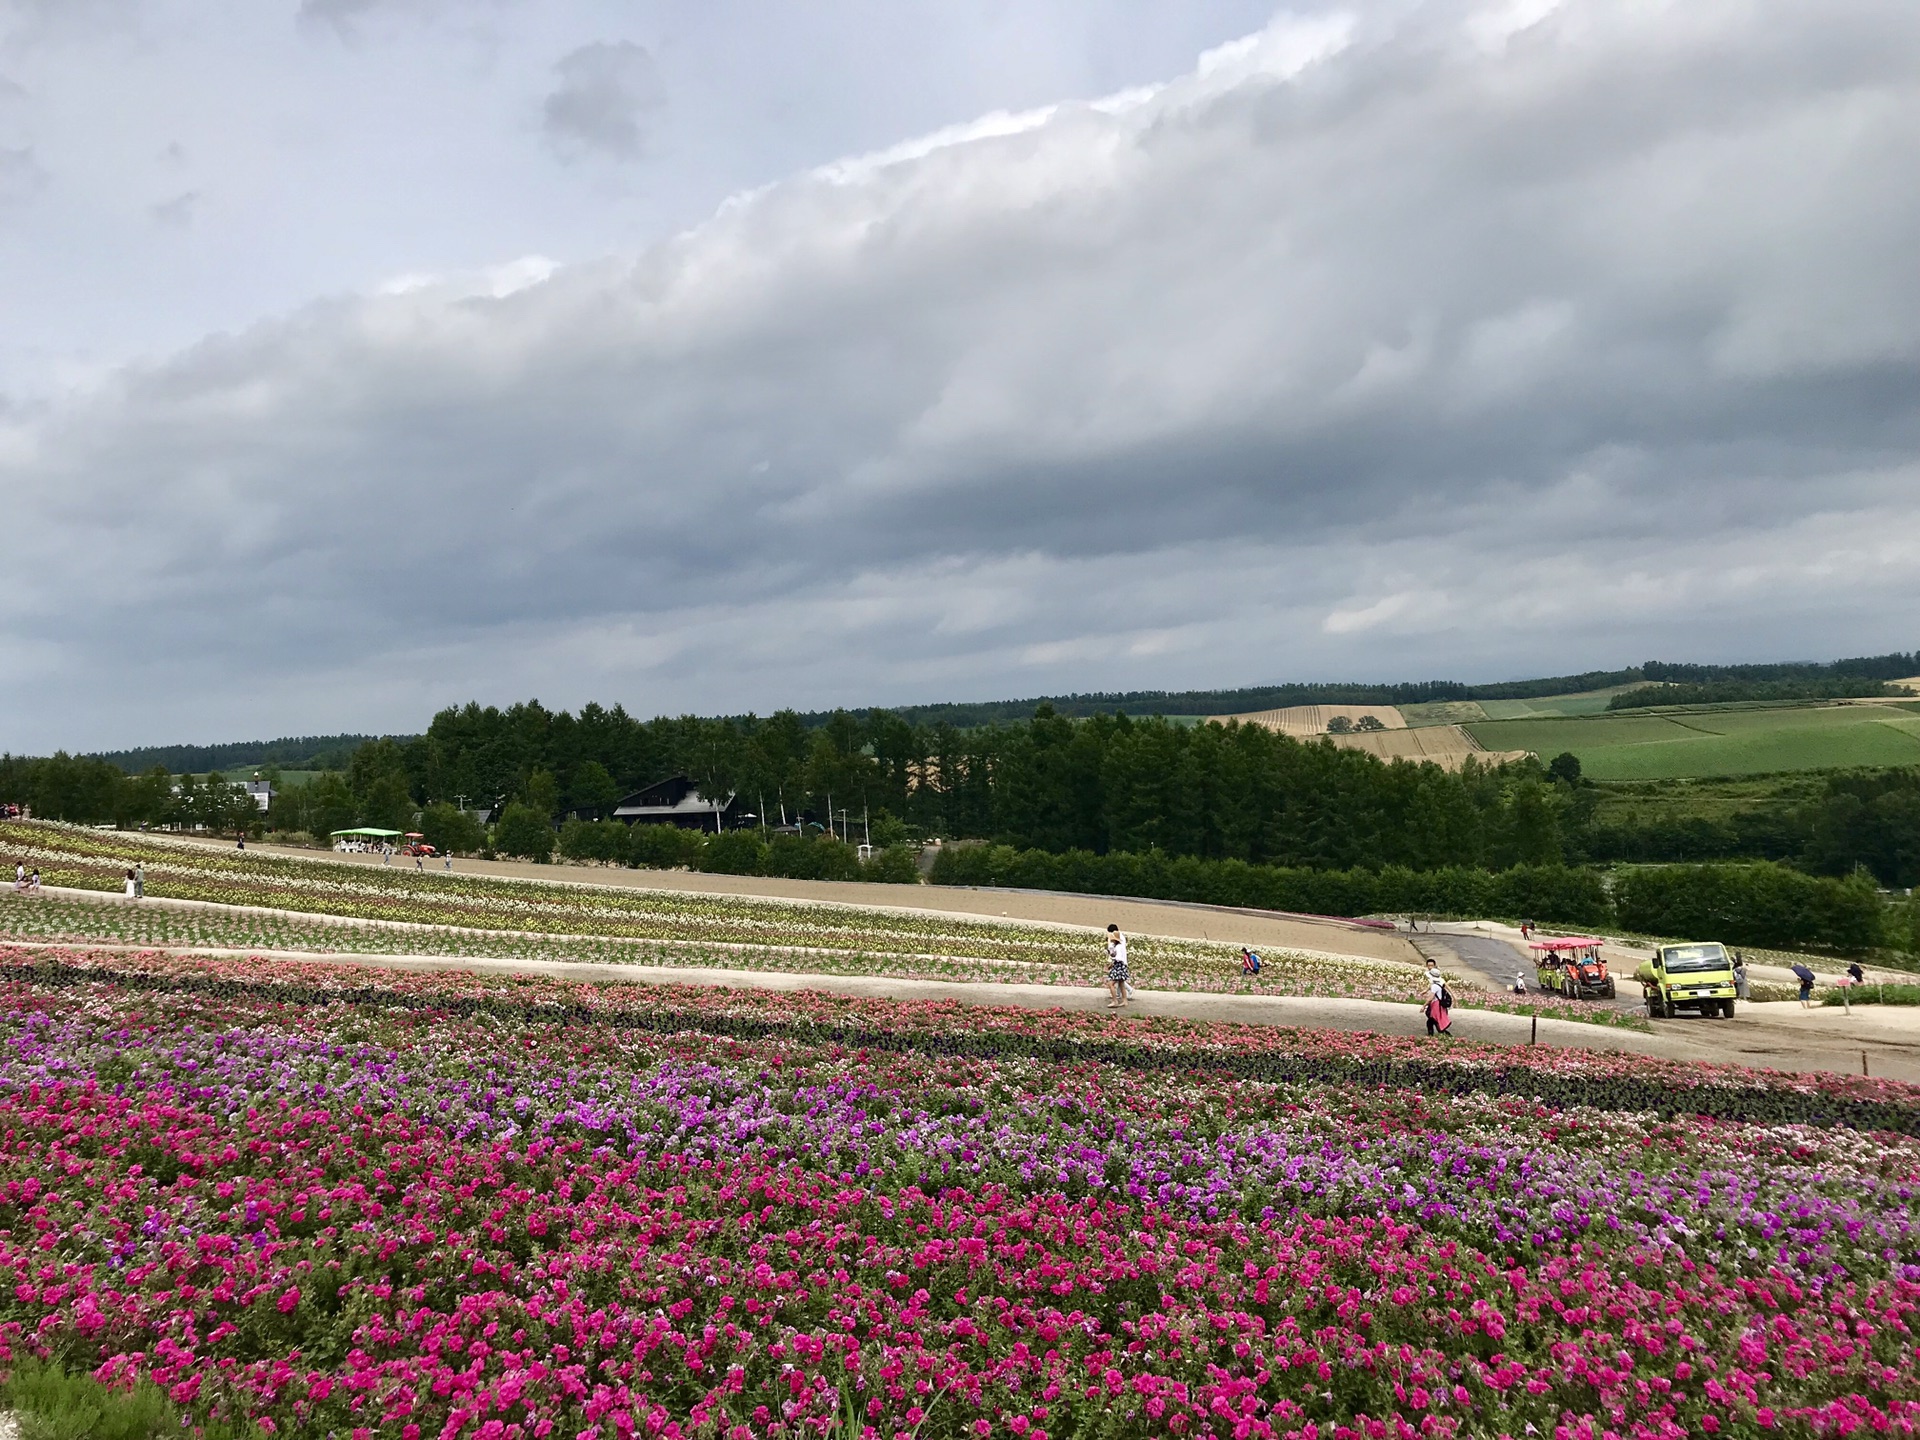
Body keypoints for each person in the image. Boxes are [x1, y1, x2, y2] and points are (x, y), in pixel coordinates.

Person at [1105, 923, 1134, 1008]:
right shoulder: (1121, 942)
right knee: (1121, 983)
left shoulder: (1117, 947)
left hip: (1119, 966)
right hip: (1123, 965)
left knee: (1111, 984)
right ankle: (1124, 1000)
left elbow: (1117, 957)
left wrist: (1111, 963)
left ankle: (1115, 1001)